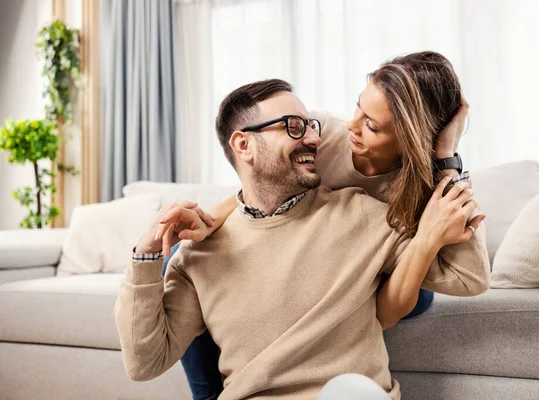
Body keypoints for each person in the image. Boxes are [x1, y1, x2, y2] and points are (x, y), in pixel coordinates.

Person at [115, 76, 490, 399]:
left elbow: (469, 277)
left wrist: (447, 159)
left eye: (310, 124)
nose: (313, 136)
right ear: (242, 144)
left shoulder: (366, 215)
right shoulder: (198, 255)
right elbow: (145, 364)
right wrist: (144, 256)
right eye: (293, 126)